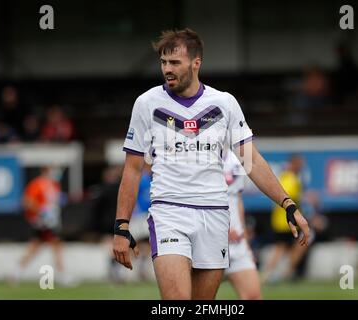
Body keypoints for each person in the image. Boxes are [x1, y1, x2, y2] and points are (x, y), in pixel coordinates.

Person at [113, 28, 310, 300]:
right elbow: (132, 169)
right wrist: (121, 226)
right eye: (163, 62)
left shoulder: (224, 103)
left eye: (175, 63)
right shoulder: (146, 104)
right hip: (169, 212)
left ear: (196, 63)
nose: (167, 69)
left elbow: (251, 161)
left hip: (215, 215)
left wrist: (288, 204)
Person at [261, 154, 317, 283]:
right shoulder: (290, 179)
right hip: (287, 221)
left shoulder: (285, 177)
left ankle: (271, 274)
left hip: (282, 221)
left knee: (282, 248)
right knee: (300, 242)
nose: (301, 166)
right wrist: (306, 197)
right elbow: (289, 197)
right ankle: (285, 273)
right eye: (299, 164)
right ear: (293, 164)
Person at [15, 166, 69, 284]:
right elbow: (27, 201)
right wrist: (41, 211)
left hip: (51, 221)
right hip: (42, 222)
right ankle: (62, 275)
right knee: (56, 245)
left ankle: (17, 272)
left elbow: (55, 202)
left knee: (37, 247)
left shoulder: (54, 185)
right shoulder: (37, 184)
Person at [223, 149, 262, 300]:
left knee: (253, 296)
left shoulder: (235, 158)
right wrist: (222, 230)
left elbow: (237, 199)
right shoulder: (196, 155)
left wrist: (245, 241)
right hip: (208, 241)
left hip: (236, 242)